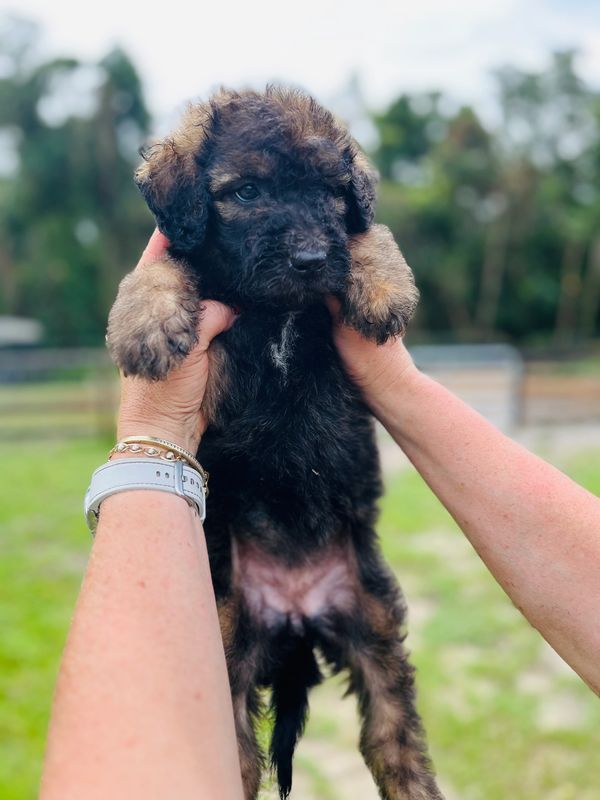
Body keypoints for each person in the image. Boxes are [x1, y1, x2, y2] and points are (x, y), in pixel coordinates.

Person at [41, 231, 600, 800]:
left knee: (394, 731)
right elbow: (166, 267)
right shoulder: (197, 257)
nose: (304, 231)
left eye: (325, 194)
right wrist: (155, 301)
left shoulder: (335, 251)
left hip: (337, 541)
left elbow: (363, 242)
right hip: (240, 542)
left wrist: (376, 291)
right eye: (249, 191)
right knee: (221, 719)